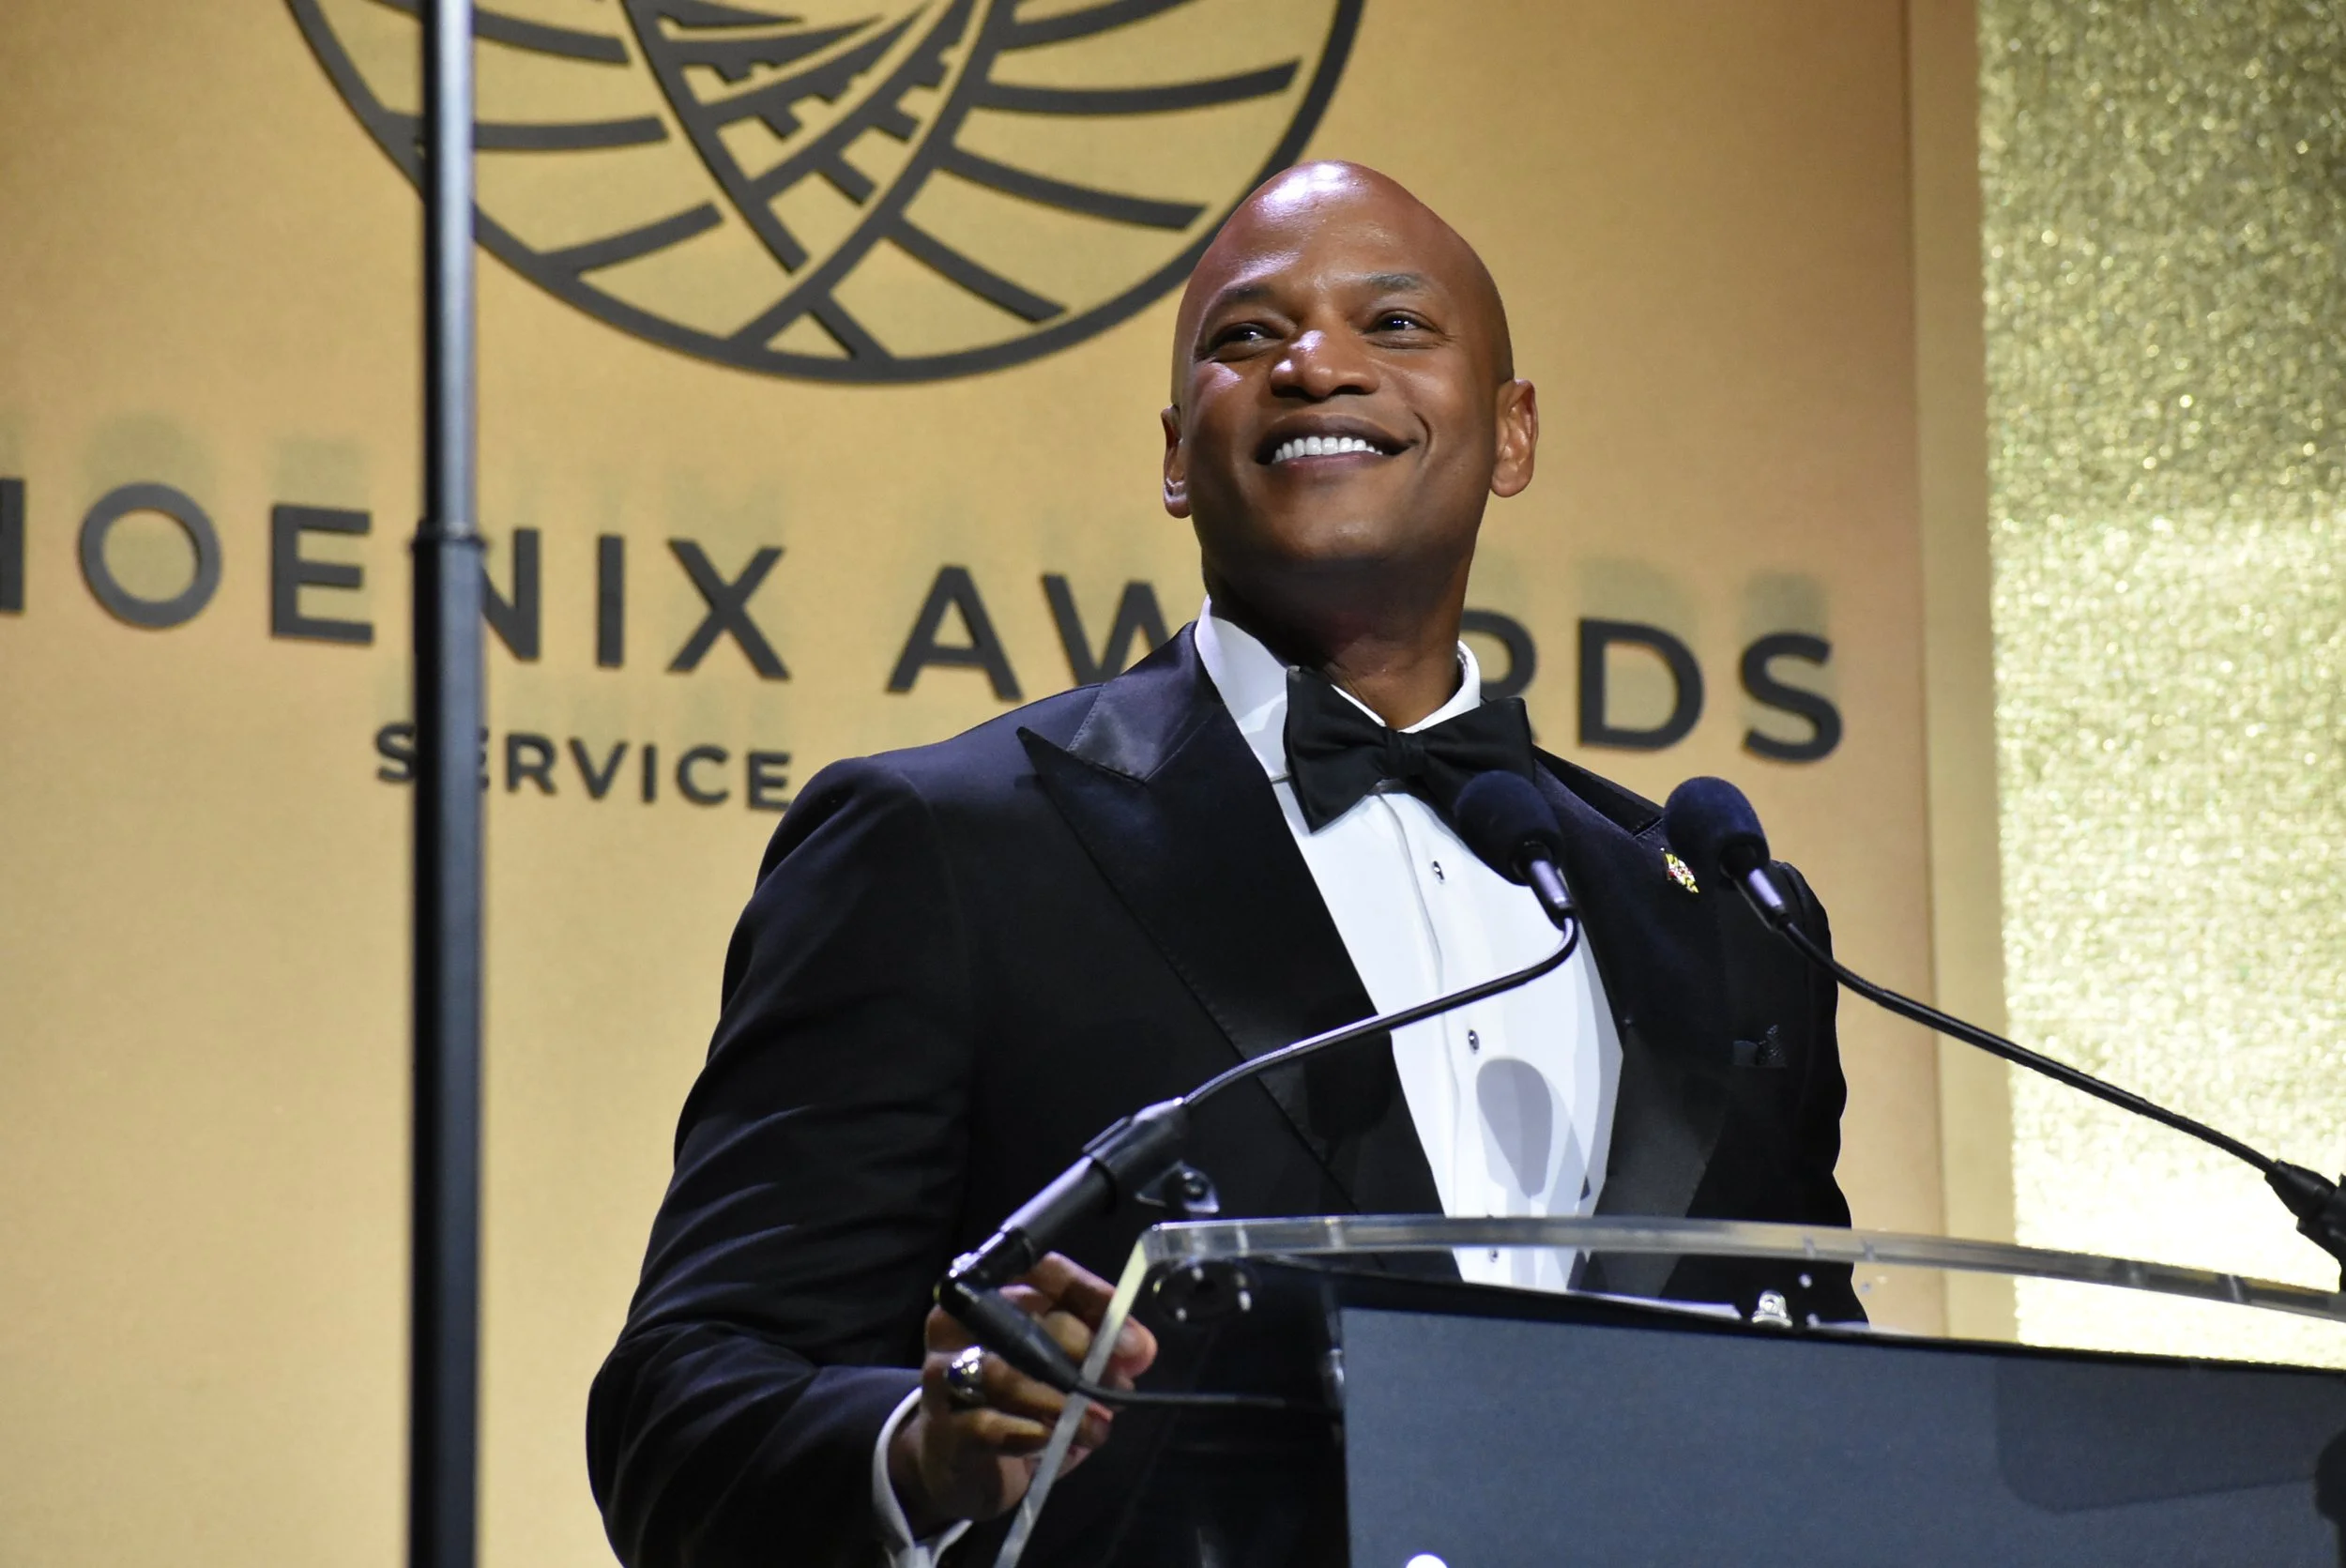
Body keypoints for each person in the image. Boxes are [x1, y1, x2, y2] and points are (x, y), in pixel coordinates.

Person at [586, 161, 1855, 1568]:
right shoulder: (944, 849)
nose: (1317, 364)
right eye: (1250, 336)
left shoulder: (1727, 927)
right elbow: (685, 1409)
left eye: (1395, 325)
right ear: (1179, 453)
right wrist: (926, 1442)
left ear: (1512, 433)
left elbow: (1816, 1402)